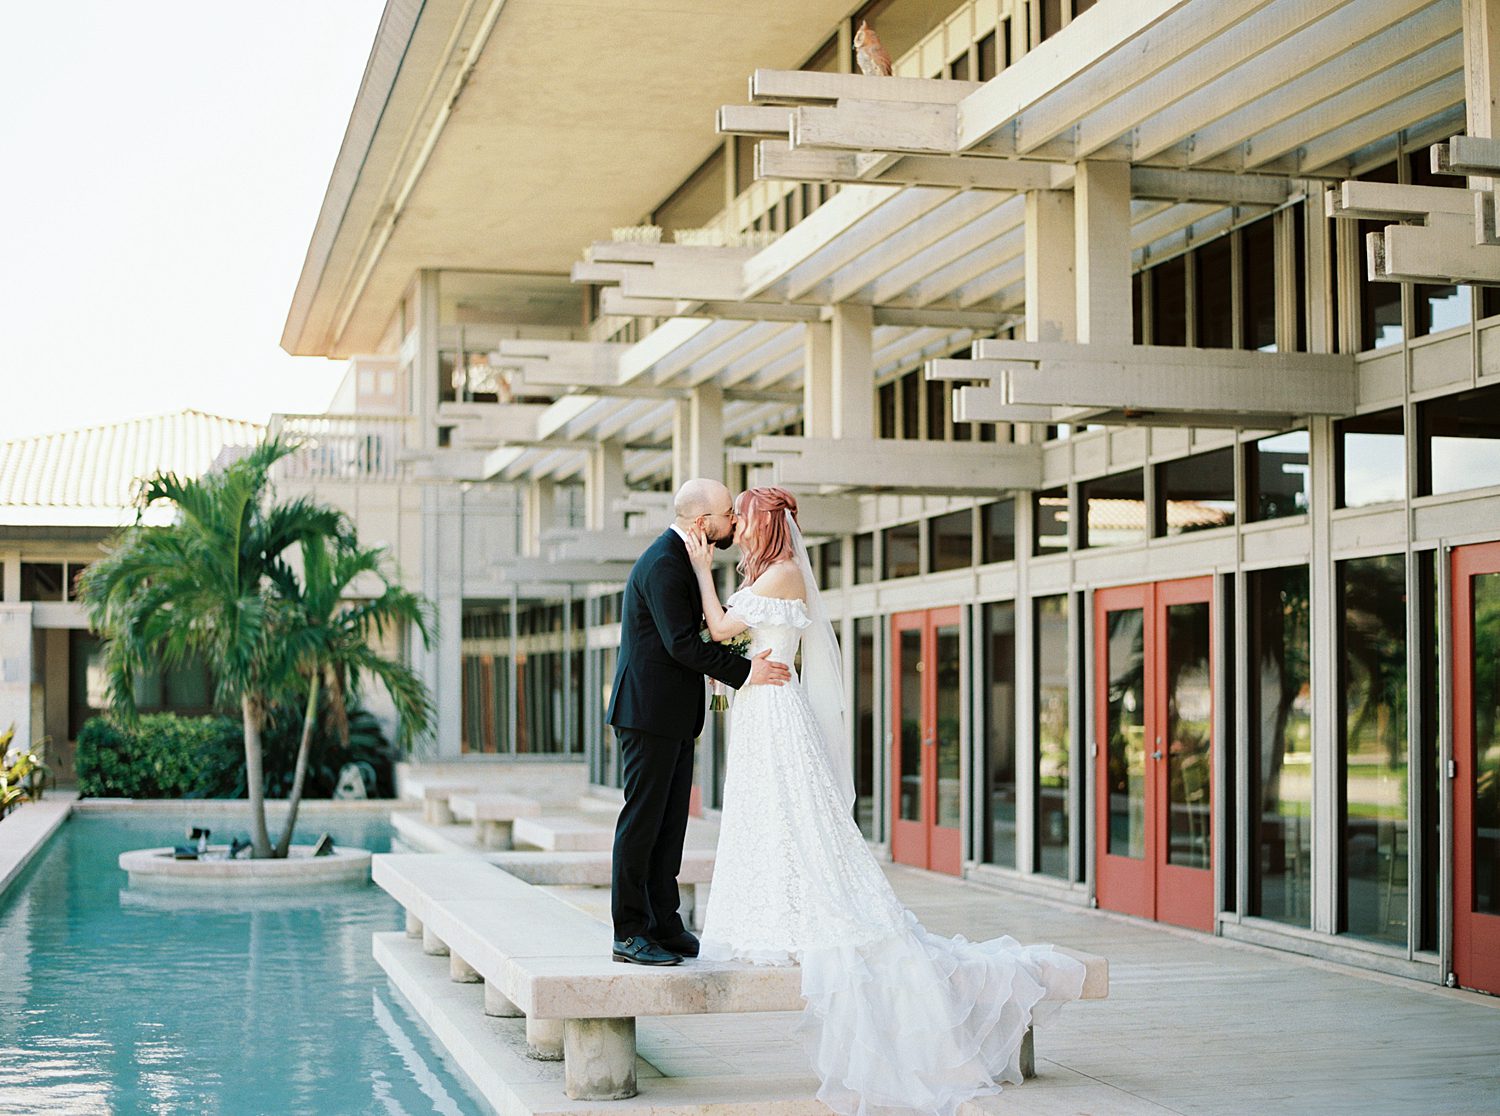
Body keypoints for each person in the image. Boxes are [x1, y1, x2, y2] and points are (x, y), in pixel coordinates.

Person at [685, 486, 1085, 1116]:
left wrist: (702, 572)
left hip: (776, 713)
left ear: (766, 524)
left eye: (744, 517)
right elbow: (738, 640)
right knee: (769, 820)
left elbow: (719, 627)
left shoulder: (786, 574)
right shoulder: (769, 574)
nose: (737, 525)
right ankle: (776, 912)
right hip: (758, 709)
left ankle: (815, 914)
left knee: (801, 818)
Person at [606, 477, 790, 967]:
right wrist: (747, 672)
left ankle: (664, 923)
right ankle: (629, 931)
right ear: (701, 522)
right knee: (642, 822)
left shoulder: (684, 559)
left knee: (670, 827)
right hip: (647, 714)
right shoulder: (665, 563)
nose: (733, 521)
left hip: (673, 715)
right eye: (728, 513)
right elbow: (681, 645)